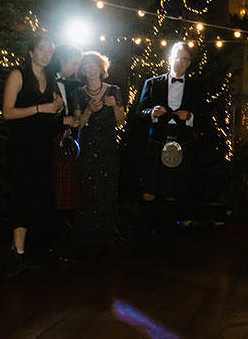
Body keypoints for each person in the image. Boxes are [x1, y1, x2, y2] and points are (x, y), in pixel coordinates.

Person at [2, 34, 67, 277]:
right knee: (21, 196)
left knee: (36, 199)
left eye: (50, 50)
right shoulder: (17, 75)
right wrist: (40, 108)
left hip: (42, 147)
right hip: (21, 147)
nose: (46, 54)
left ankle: (19, 252)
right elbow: (7, 112)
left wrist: (57, 107)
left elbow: (51, 115)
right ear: (31, 52)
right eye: (42, 49)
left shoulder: (50, 79)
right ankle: (16, 257)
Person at [135, 42, 203, 252]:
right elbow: (139, 112)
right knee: (149, 192)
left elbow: (205, 116)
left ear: (189, 63)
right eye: (178, 58)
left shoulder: (196, 86)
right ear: (170, 58)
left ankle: (167, 245)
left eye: (185, 59)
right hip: (156, 142)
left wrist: (190, 116)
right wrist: (152, 113)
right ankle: (141, 244)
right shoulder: (152, 83)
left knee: (172, 194)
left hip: (181, 144)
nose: (180, 62)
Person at [72, 51, 126, 258]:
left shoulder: (114, 90)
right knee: (86, 193)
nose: (91, 69)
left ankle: (104, 240)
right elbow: (78, 125)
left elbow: (121, 121)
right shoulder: (78, 93)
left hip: (108, 149)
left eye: (94, 65)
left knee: (107, 193)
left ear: (101, 69)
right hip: (86, 149)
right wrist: (88, 111)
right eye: (86, 66)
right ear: (83, 71)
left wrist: (115, 107)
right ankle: (85, 241)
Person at [49, 44, 84, 260]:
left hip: (68, 143)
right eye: (74, 63)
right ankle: (54, 246)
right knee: (55, 197)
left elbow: (73, 112)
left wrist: (76, 120)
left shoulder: (71, 85)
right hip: (52, 143)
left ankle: (65, 245)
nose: (77, 68)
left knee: (67, 200)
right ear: (62, 60)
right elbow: (42, 117)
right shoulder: (47, 81)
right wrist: (65, 121)